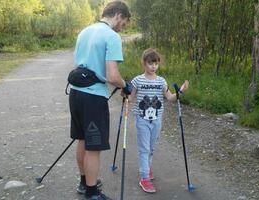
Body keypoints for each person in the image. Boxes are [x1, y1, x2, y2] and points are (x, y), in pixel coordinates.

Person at [69, 1, 132, 200]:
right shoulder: (111, 36)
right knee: (94, 146)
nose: (122, 27)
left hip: (76, 93)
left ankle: (83, 182)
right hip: (93, 98)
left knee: (82, 139)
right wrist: (126, 86)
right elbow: (112, 76)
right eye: (124, 23)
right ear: (119, 15)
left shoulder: (84, 31)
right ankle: (92, 193)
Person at [130, 48, 189, 193]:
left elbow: (169, 98)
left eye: (156, 63)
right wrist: (125, 93)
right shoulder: (137, 80)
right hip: (142, 119)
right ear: (144, 63)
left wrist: (180, 92)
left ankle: (147, 168)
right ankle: (144, 178)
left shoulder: (161, 81)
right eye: (150, 63)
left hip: (157, 119)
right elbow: (130, 97)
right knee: (144, 149)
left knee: (151, 148)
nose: (153, 66)